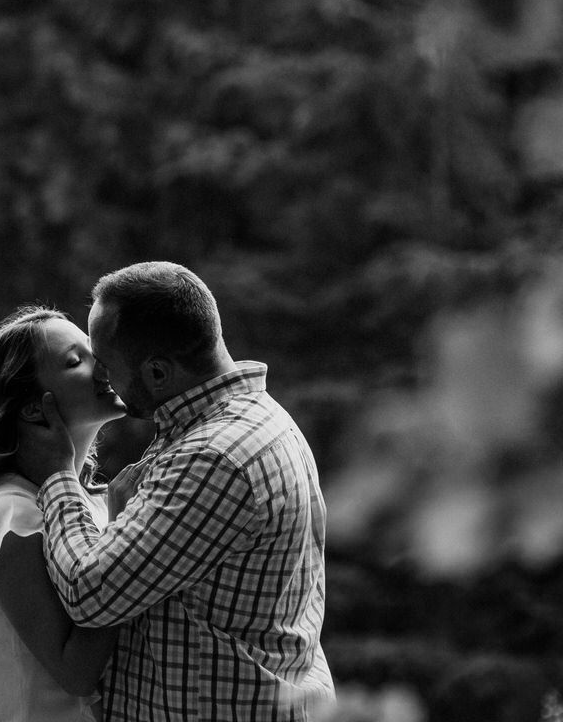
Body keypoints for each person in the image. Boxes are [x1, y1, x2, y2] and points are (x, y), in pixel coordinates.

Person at [18, 262, 335, 722]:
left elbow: (90, 596)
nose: (99, 378)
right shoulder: (233, 425)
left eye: (106, 364)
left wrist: (56, 475)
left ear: (159, 373)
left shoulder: (217, 456)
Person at [0, 305, 131, 722]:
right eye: (76, 361)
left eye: (94, 351)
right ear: (35, 409)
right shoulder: (8, 517)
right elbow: (76, 673)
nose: (101, 364)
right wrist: (124, 548)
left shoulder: (92, 501)